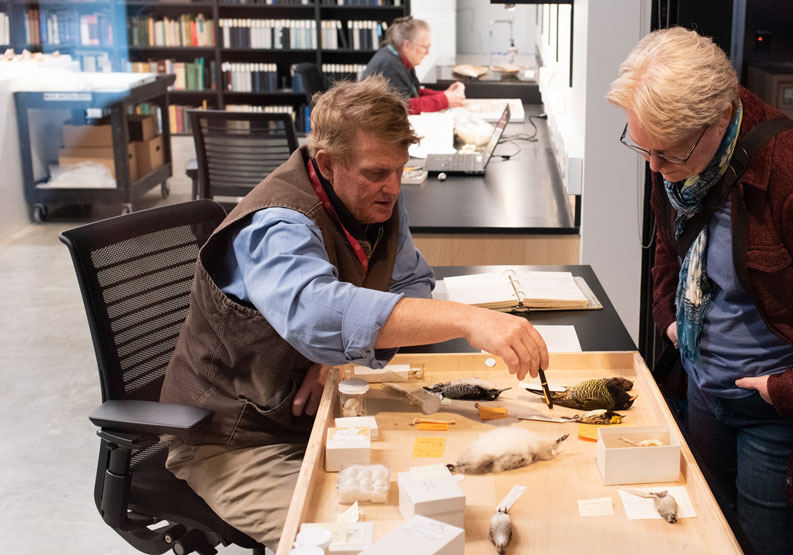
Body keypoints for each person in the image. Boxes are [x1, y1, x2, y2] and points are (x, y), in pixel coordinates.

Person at [159, 76, 547, 550]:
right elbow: (316, 313)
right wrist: (468, 319)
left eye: (400, 170)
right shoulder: (276, 226)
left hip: (316, 417)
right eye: (376, 172)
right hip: (231, 440)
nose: (392, 187)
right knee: (362, 544)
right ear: (326, 163)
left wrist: (336, 357)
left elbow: (410, 282)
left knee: (452, 504)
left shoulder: (373, 203)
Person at [607, 28, 793, 554]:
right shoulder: (675, 158)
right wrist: (669, 314)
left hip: (781, 420)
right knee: (711, 540)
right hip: (706, 393)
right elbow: (671, 247)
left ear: (716, 121)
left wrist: (791, 390)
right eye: (643, 147)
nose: (654, 168)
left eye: (666, 153)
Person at [358, 16, 465, 114]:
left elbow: (414, 92)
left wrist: (445, 95)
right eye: (424, 47)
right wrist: (444, 100)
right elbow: (404, 107)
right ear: (406, 45)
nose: (428, 53)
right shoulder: (390, 63)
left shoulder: (400, 59)